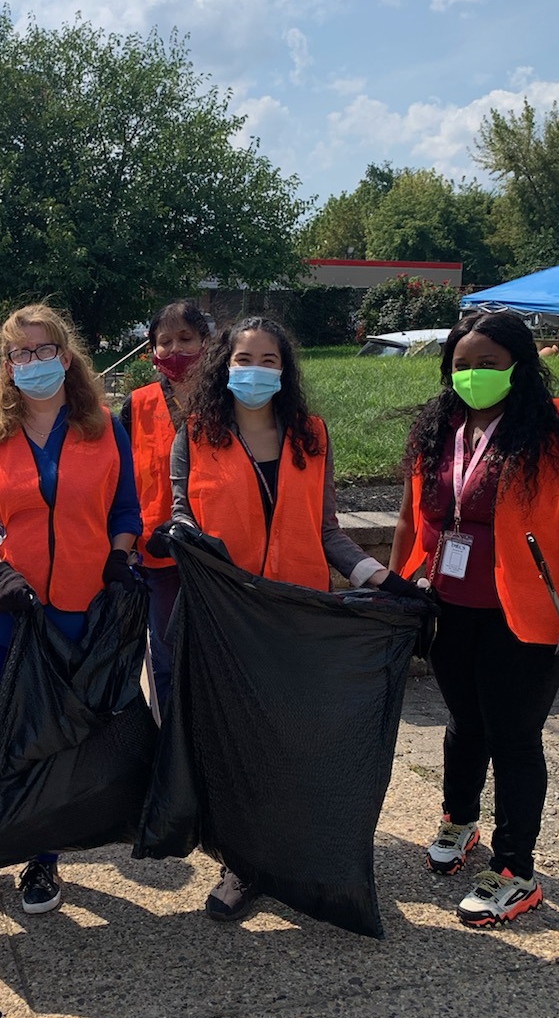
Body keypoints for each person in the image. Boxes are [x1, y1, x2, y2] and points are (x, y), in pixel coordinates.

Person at [168, 314, 414, 923]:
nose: (255, 371)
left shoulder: (312, 435)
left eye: (268, 360)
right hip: (228, 618)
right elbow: (181, 514)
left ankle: (298, 853)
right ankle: (243, 864)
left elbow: (327, 532)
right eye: (243, 359)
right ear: (224, 366)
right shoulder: (197, 433)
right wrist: (185, 540)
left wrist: (380, 578)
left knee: (297, 739)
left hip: (300, 615)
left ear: (286, 369)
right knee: (238, 746)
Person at [390, 310, 559, 927]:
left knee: (512, 738)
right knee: (462, 722)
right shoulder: (435, 430)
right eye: (462, 364)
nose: (474, 374)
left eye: (489, 364)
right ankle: (460, 822)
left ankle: (515, 870)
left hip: (528, 616)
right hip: (450, 607)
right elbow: (412, 520)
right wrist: (404, 590)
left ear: (519, 365)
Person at [0, 304, 143, 916]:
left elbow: (126, 513)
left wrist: (118, 556)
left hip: (75, 615)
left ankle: (42, 861)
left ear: (66, 356)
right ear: (6, 367)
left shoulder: (103, 427)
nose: (33, 363)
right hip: (2, 613)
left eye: (44, 350)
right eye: (20, 354)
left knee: (54, 745)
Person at [118, 299, 213, 714]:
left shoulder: (228, 403)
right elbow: (118, 481)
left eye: (186, 339)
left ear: (207, 344)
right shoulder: (135, 406)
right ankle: (169, 743)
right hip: (156, 555)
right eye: (165, 342)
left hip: (216, 554)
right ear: (151, 352)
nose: (176, 351)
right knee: (166, 653)